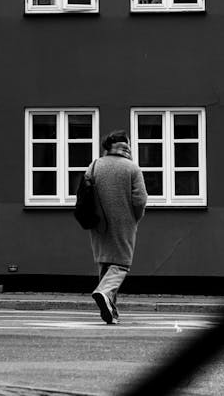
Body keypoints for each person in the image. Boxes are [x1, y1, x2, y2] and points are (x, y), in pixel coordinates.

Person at [85, 129, 148, 324]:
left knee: (106, 263)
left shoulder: (94, 165)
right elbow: (140, 199)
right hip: (124, 222)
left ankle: (110, 311)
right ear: (126, 146)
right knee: (121, 264)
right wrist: (134, 218)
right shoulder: (131, 168)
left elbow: (83, 192)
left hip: (98, 223)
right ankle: (103, 292)